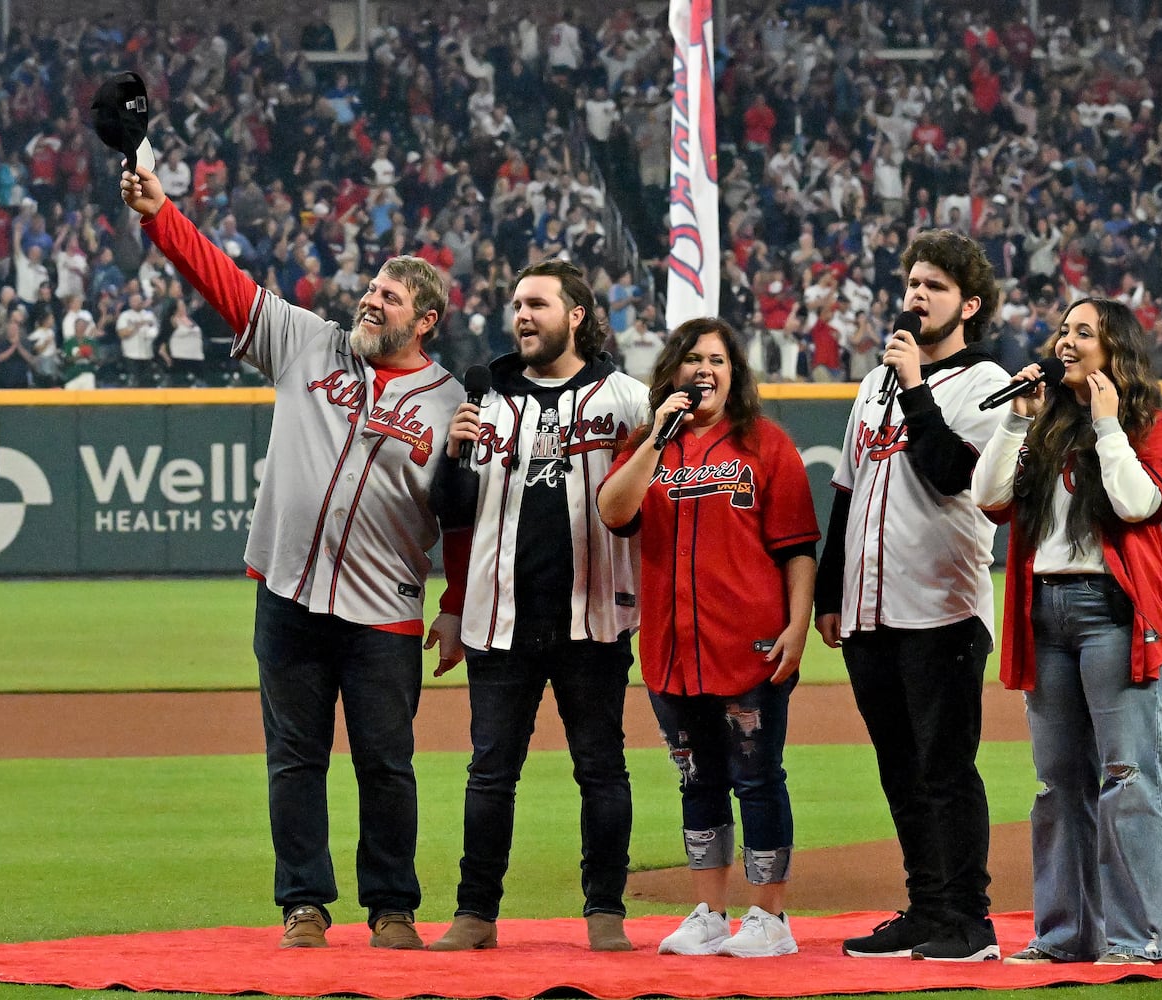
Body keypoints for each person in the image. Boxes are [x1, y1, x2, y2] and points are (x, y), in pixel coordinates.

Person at [119, 163, 466, 951]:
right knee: (294, 759)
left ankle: (393, 908)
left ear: (427, 321)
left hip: (384, 611)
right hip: (287, 594)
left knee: (386, 764)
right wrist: (161, 214)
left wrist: (453, 610)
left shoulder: (453, 405)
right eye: (371, 289)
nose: (370, 300)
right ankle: (304, 903)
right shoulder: (308, 343)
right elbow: (224, 282)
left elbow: (463, 519)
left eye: (390, 297)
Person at [427, 259, 650, 953]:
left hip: (596, 616)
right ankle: (474, 913)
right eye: (517, 305)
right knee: (490, 772)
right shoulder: (483, 397)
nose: (521, 315)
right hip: (501, 619)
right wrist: (454, 456)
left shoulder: (629, 400)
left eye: (537, 305)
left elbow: (655, 506)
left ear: (576, 315)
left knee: (602, 769)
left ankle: (606, 909)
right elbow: (451, 516)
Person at [813, 229, 1012, 962]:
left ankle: (970, 919)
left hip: (942, 609)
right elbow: (847, 492)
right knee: (899, 768)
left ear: (969, 303)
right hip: (869, 611)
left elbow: (949, 474)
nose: (916, 296)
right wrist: (829, 595)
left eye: (933, 286)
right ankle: (927, 908)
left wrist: (919, 388)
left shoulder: (985, 383)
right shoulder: (873, 386)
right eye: (913, 283)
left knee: (945, 768)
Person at [972, 297, 1162, 966]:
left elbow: (1137, 503)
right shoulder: (1043, 426)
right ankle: (1066, 936)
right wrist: (1015, 419)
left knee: (1127, 777)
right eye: (1063, 329)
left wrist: (1107, 425)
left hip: (1113, 617)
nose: (1065, 340)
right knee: (1057, 784)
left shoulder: (1153, 427)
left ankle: (1145, 937)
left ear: (1113, 348)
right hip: (1045, 613)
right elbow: (989, 498)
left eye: (1082, 331)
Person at [597, 317, 819, 958]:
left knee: (757, 778)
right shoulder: (650, 444)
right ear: (671, 372)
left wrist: (796, 628)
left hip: (748, 644)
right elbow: (615, 512)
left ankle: (770, 918)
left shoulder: (766, 445)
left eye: (718, 360)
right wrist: (655, 437)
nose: (705, 371)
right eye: (693, 359)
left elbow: (799, 549)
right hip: (672, 648)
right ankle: (709, 913)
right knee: (697, 779)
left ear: (735, 374)